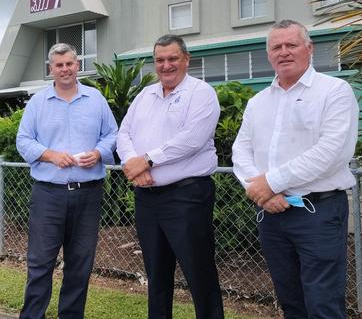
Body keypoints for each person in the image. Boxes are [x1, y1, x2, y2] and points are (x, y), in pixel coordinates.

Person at [232, 19, 358, 318]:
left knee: (323, 303)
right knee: (290, 302)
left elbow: (332, 152)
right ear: (269, 54)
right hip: (271, 215)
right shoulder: (258, 102)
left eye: (292, 44)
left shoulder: (334, 92)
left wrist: (271, 182)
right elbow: (241, 150)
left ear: (309, 48)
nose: (284, 52)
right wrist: (260, 191)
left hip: (319, 214)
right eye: (277, 46)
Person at [116, 34, 224, 318]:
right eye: (160, 60)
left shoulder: (201, 93)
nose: (166, 65)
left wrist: (147, 160)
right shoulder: (145, 96)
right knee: (157, 277)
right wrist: (132, 163)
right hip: (147, 198)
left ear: (186, 60)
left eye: (172, 58)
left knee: (199, 275)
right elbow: (124, 133)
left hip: (187, 197)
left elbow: (193, 139)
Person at [16, 43, 118, 319]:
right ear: (51, 69)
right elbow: (23, 141)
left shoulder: (96, 99)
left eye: (69, 63)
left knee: (80, 264)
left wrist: (98, 153)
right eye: (58, 65)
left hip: (88, 194)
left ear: (77, 65)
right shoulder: (38, 102)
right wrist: (49, 156)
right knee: (40, 264)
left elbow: (112, 134)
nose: (65, 69)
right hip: (49, 195)